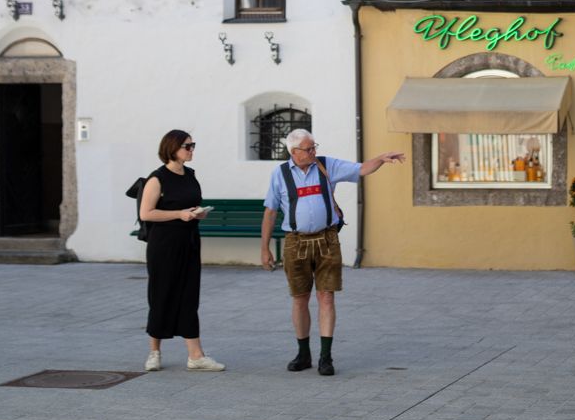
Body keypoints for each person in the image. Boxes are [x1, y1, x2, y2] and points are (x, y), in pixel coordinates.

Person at [259, 128, 404, 376]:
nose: (314, 151)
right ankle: (303, 353)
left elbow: (361, 169)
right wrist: (264, 249)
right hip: (296, 242)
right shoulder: (280, 174)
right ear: (294, 152)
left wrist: (380, 159)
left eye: (315, 146)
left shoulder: (326, 166)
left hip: (327, 239)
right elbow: (271, 211)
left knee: (326, 296)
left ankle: (326, 357)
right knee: (300, 297)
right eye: (309, 148)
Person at [139, 129, 224, 372]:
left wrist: (198, 212)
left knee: (189, 295)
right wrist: (180, 214)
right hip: (164, 245)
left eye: (193, 145)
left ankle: (195, 356)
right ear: (172, 148)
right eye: (187, 146)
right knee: (161, 294)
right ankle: (154, 352)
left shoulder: (190, 175)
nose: (192, 149)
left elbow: (190, 203)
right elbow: (146, 213)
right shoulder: (157, 178)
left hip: (189, 241)